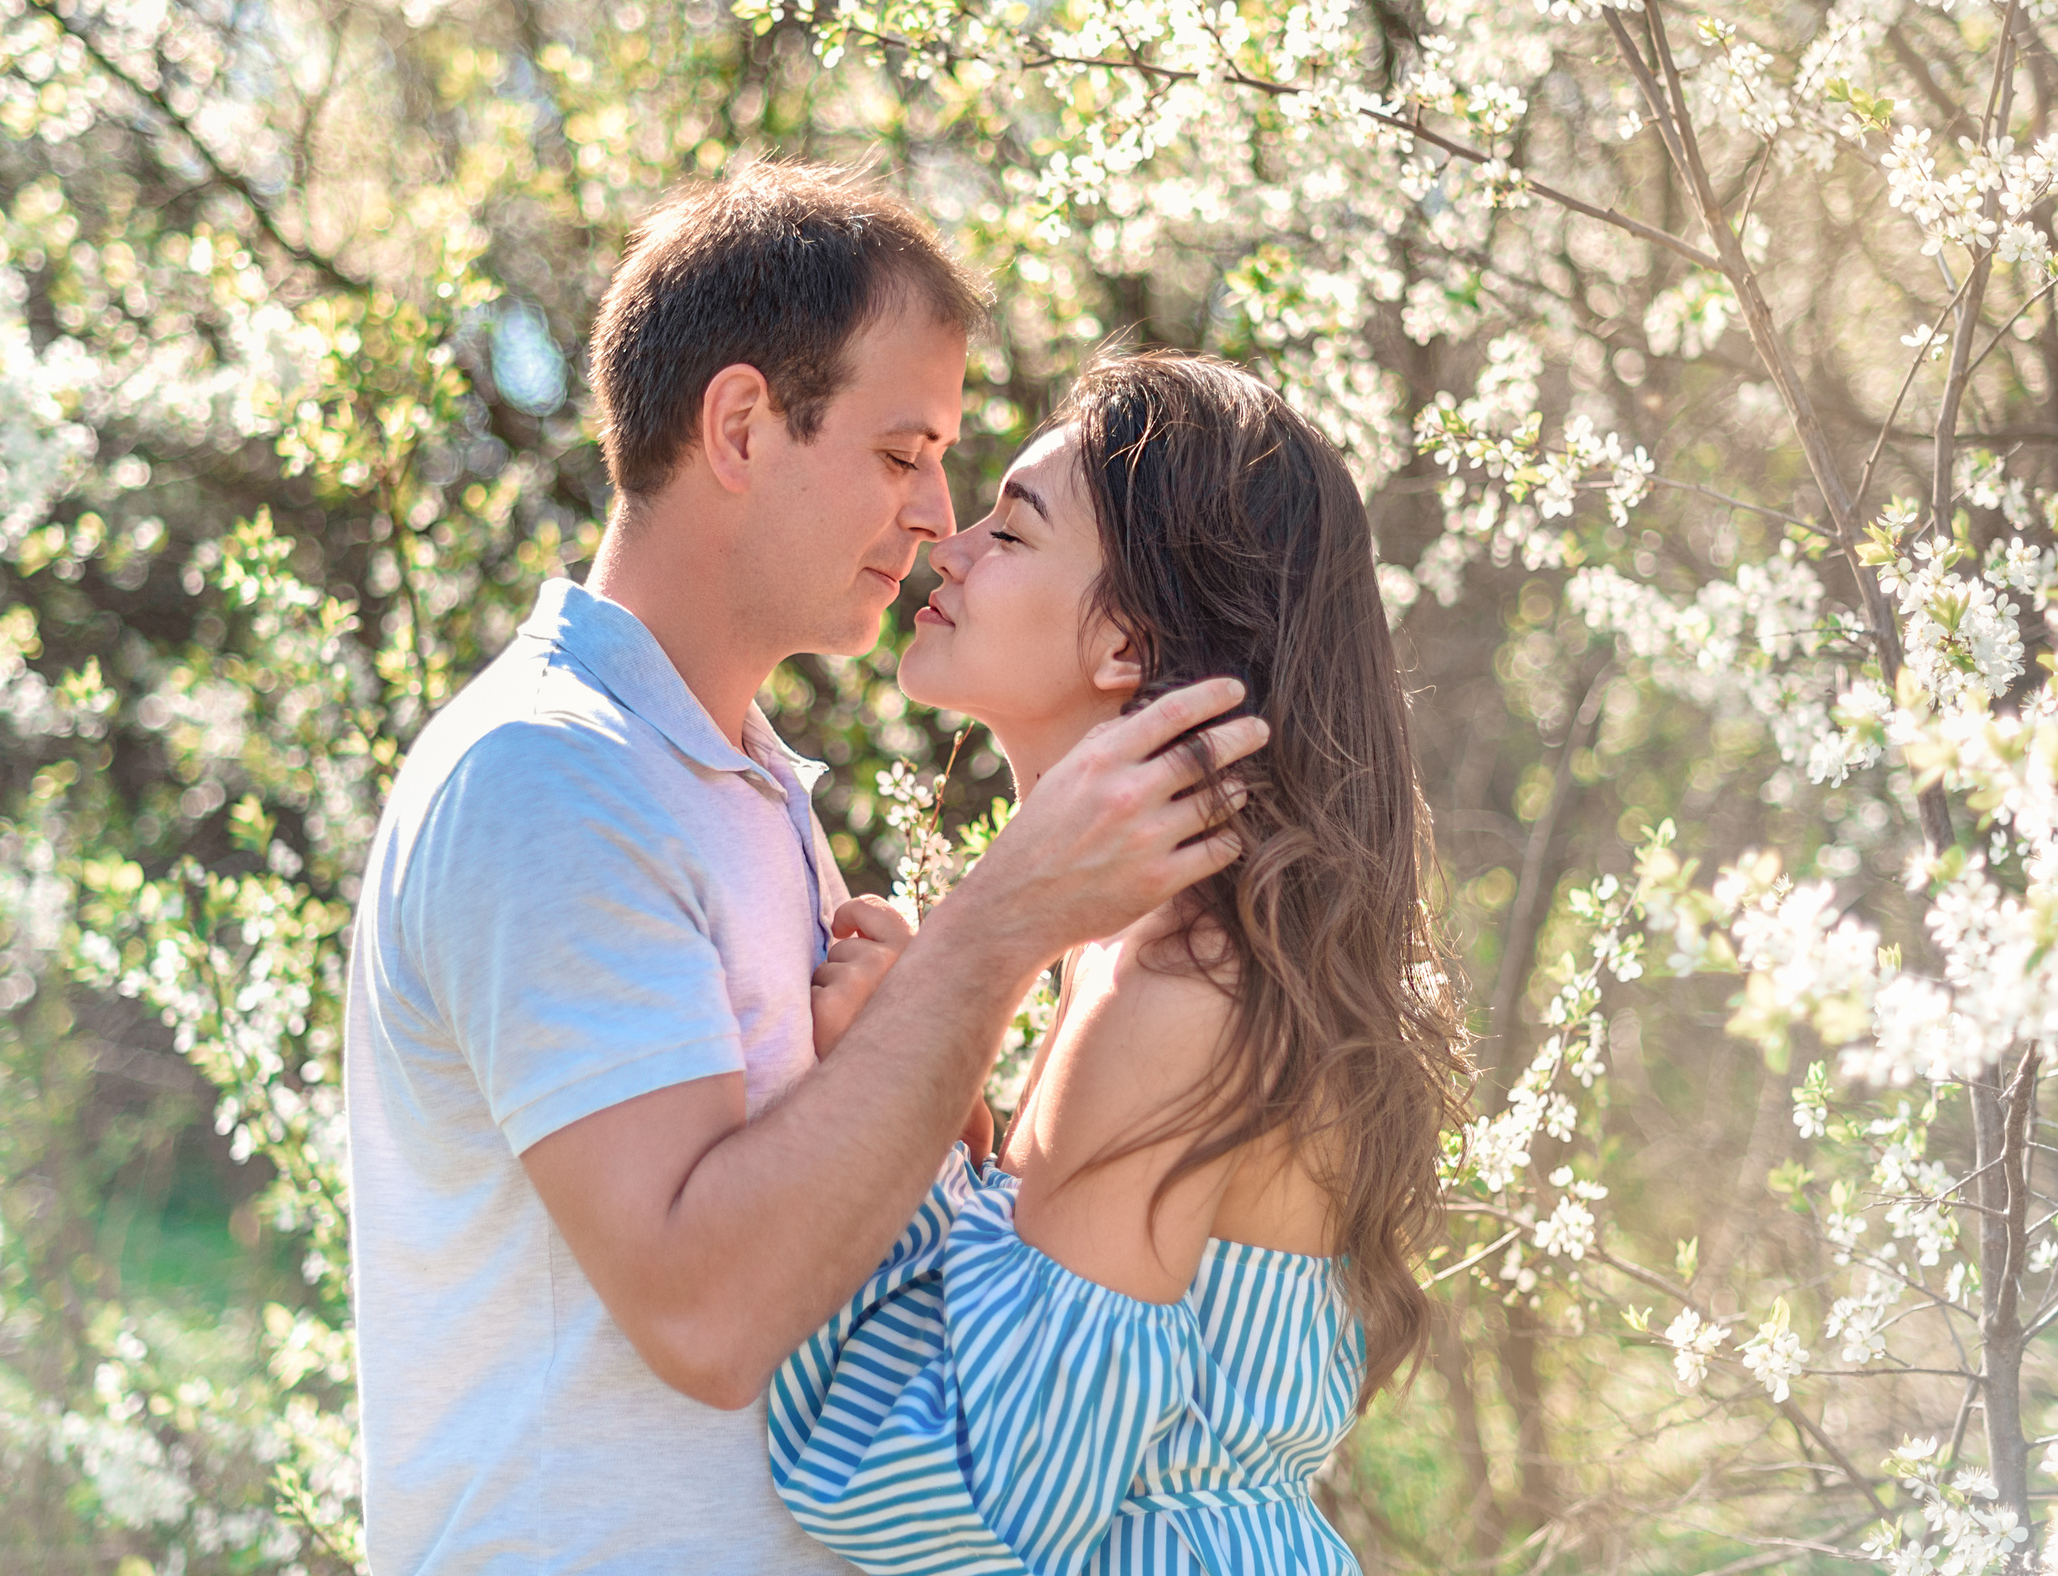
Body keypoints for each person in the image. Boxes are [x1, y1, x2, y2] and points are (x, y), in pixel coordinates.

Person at [343, 166, 1269, 1575]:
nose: (936, 515)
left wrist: (933, 1074)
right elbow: (708, 1316)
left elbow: (828, 1237)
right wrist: (1002, 922)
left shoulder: (741, 782)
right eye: (903, 454)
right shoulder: (545, 779)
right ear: (740, 427)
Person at [769, 353, 1470, 1574]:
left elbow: (956, 1499)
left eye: (1014, 528)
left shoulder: (1174, 987)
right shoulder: (1185, 962)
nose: (951, 544)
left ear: (1125, 639)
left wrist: (887, 1081)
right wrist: (944, 1100)